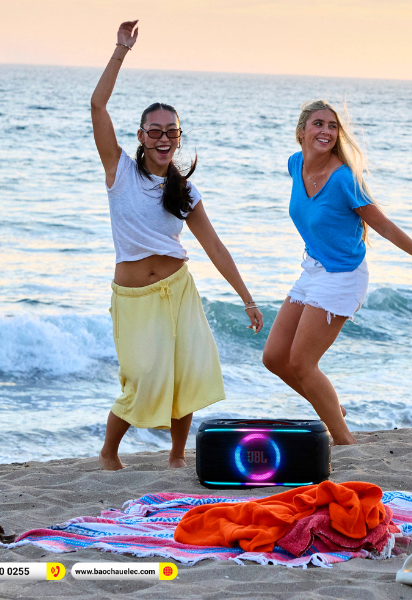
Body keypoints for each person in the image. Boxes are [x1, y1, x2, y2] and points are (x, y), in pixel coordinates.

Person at [91, 21, 263, 471]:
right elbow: (97, 105)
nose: (163, 138)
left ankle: (176, 455)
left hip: (179, 290)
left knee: (185, 373)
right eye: (154, 131)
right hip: (134, 297)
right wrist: (121, 50)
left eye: (171, 131)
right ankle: (109, 453)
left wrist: (247, 298)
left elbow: (215, 247)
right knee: (141, 376)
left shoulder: (185, 191)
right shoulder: (119, 171)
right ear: (141, 136)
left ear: (179, 137)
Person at [262, 100, 412, 446]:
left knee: (303, 363)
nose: (326, 131)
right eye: (318, 124)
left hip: (343, 275)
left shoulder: (344, 179)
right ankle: (332, 407)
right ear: (301, 131)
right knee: (274, 357)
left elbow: (384, 225)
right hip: (314, 269)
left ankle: (344, 441)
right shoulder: (295, 164)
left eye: (332, 126)